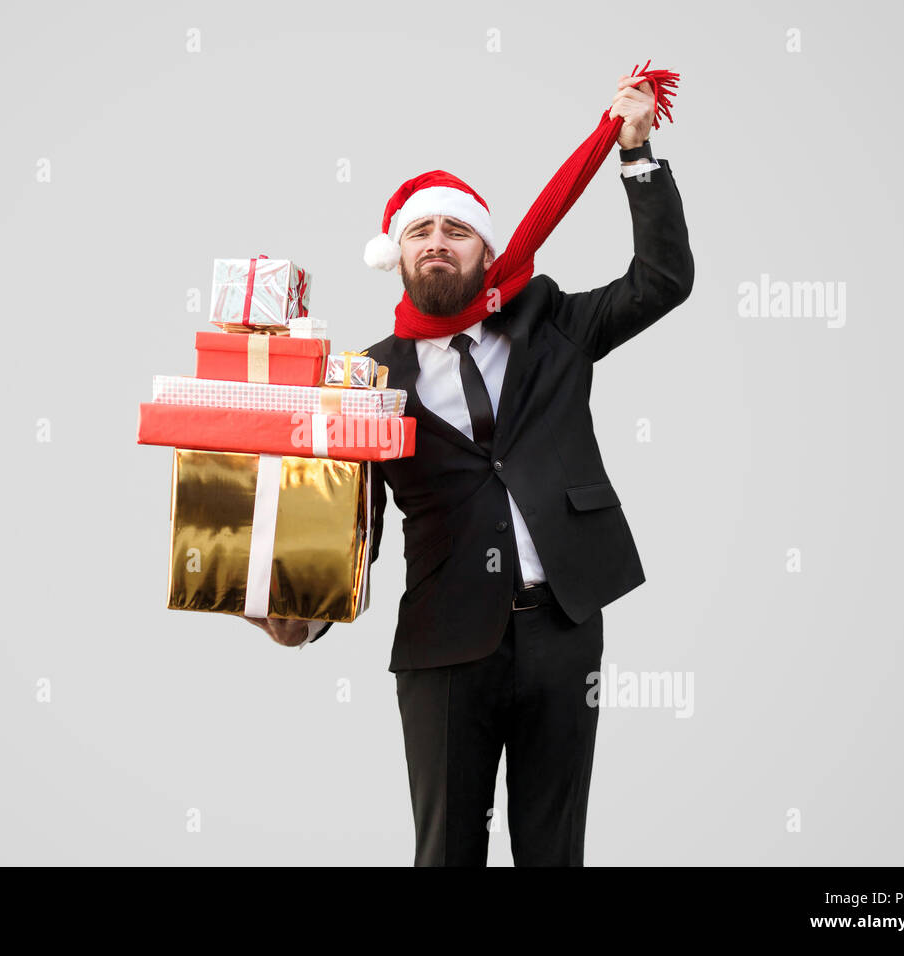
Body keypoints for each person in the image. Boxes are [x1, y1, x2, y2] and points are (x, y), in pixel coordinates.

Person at [248, 75, 693, 865]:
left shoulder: (550, 320)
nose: (437, 242)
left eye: (457, 229)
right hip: (444, 642)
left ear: (487, 249)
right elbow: (356, 527)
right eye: (420, 231)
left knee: (552, 852)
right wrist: (300, 615)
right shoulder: (367, 379)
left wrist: (635, 152)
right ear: (396, 257)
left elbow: (662, 281)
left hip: (563, 625)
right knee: (448, 851)